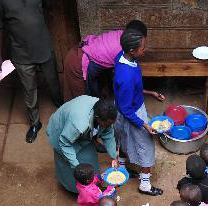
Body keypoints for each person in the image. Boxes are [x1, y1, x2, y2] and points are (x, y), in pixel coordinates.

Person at [0, 0, 62, 143]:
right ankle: (35, 123)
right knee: (29, 90)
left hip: (44, 47)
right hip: (21, 53)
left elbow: (47, 9)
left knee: (53, 81)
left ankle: (60, 104)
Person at [113, 29, 164, 196]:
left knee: (122, 138)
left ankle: (121, 167)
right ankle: (145, 185)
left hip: (122, 108)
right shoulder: (126, 77)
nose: (145, 49)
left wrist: (150, 93)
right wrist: (144, 124)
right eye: (143, 47)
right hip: (132, 112)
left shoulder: (121, 57)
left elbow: (128, 92)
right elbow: (127, 108)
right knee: (147, 147)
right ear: (132, 50)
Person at [46, 97, 118, 193]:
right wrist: (78, 168)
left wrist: (114, 156)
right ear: (97, 118)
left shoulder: (105, 112)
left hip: (79, 130)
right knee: (69, 164)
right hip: (63, 132)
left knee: (89, 160)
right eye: (107, 124)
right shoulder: (79, 124)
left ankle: (91, 185)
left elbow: (108, 133)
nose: (109, 126)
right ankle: (77, 190)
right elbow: (64, 143)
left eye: (111, 124)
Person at [62, 20, 147, 101]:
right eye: (142, 46)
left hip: (80, 52)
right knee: (81, 100)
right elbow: (124, 80)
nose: (144, 49)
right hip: (77, 62)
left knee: (93, 96)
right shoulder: (121, 52)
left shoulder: (121, 36)